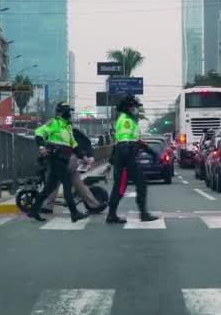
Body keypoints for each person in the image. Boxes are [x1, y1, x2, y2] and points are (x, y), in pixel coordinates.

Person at [29, 102, 93, 222]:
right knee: (67, 184)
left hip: (63, 158)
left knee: (49, 187)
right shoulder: (55, 122)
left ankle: (33, 210)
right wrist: (41, 147)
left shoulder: (67, 127)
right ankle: (74, 213)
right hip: (55, 157)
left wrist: (84, 157)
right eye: (69, 112)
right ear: (63, 112)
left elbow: (74, 144)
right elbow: (39, 132)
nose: (71, 114)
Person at [106, 95, 159, 224]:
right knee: (123, 186)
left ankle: (114, 214)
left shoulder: (129, 120)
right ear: (129, 108)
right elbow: (125, 141)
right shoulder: (126, 121)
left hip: (126, 156)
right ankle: (141, 214)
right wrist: (129, 157)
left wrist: (151, 151)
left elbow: (136, 141)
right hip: (125, 156)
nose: (137, 109)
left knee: (127, 185)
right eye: (135, 107)